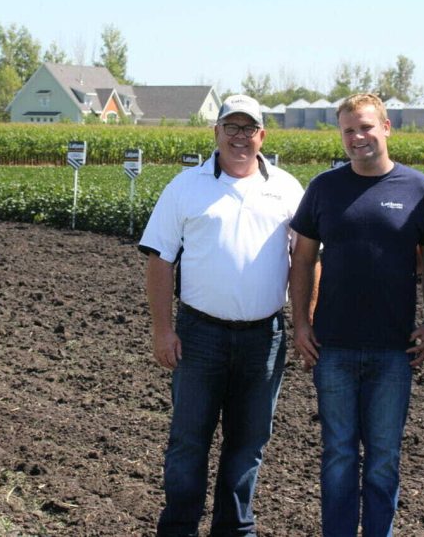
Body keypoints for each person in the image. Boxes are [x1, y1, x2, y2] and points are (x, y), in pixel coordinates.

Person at [139, 94, 305, 536]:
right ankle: (178, 528)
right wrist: (162, 330)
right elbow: (159, 259)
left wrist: (306, 321)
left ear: (262, 136)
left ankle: (235, 529)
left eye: (248, 128)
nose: (239, 137)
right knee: (189, 441)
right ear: (215, 132)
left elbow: (308, 260)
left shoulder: (287, 189)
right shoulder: (185, 187)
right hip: (200, 336)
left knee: (248, 444)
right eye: (230, 127)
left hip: (264, 339)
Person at [289, 93, 424, 537]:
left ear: (387, 127)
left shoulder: (419, 191)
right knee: (338, 454)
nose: (358, 137)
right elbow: (302, 258)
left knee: (383, 458)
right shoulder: (324, 188)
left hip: (393, 352)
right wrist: (301, 322)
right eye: (348, 130)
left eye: (365, 127)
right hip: (332, 346)